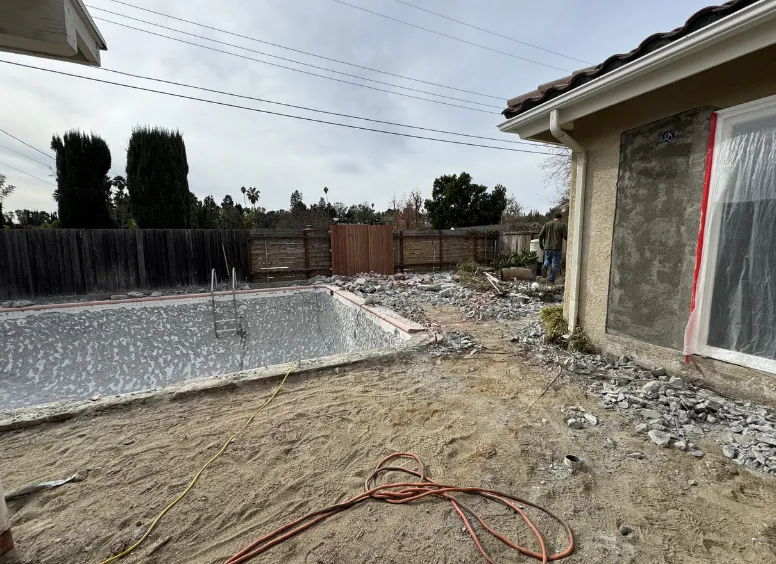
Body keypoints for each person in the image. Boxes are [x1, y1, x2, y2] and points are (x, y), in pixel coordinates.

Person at [538, 212, 567, 284]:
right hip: (556, 248)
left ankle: (544, 267)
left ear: (553, 218)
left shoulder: (546, 224)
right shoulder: (562, 225)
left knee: (548, 260)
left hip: (547, 248)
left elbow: (540, 236)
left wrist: (541, 246)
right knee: (555, 264)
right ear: (560, 218)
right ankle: (551, 281)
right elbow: (566, 236)